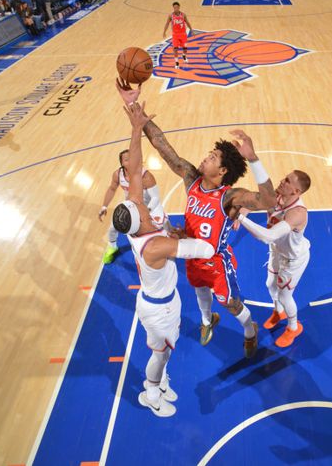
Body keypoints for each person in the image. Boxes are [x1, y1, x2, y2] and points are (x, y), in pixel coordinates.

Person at [111, 81, 216, 417]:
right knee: (160, 355)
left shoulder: (135, 216)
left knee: (163, 353)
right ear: (138, 220)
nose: (142, 202)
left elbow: (136, 165)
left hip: (160, 299)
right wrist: (215, 231)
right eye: (141, 207)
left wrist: (136, 125)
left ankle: (158, 382)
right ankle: (151, 392)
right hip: (159, 308)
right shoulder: (154, 245)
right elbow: (198, 249)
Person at [137, 108, 276, 359]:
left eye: (212, 157)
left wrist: (253, 159)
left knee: (230, 304)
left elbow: (268, 200)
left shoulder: (230, 197)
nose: (206, 158)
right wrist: (142, 119)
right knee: (198, 289)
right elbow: (164, 148)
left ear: (222, 170)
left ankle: (249, 329)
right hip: (191, 255)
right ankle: (207, 319)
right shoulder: (192, 178)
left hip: (216, 262)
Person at [236, 169, 311, 347]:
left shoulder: (297, 213)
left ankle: (293, 327)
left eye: (287, 181)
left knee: (285, 296)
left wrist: (240, 218)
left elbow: (267, 236)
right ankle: (279, 312)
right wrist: (243, 213)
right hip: (277, 250)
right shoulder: (276, 196)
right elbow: (251, 203)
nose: (282, 181)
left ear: (296, 192)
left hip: (293, 260)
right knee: (270, 284)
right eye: (284, 177)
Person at [99, 146, 167, 264]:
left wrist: (146, 211)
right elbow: (111, 189)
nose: (130, 161)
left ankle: (171, 238)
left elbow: (155, 197)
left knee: (162, 226)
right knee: (112, 228)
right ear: (122, 163)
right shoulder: (117, 175)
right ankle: (112, 247)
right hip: (132, 206)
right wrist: (104, 206)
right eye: (126, 159)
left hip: (151, 206)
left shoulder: (145, 176)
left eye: (132, 158)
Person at [162, 2, 192, 69]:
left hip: (183, 34)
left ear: (179, 7)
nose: (176, 9)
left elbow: (187, 22)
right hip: (175, 35)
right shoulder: (171, 16)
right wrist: (164, 32)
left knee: (185, 49)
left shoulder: (183, 15)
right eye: (174, 7)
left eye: (177, 7)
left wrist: (191, 30)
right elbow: (167, 24)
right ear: (173, 8)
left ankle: (184, 55)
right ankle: (176, 62)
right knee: (175, 49)